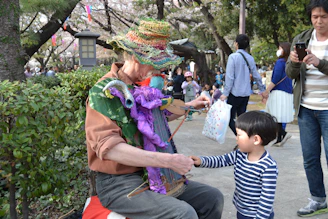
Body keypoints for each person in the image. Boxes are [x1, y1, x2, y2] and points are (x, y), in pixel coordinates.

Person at [85, 19, 224, 219]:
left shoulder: (140, 88)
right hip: (118, 183)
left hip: (153, 174)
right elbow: (110, 148)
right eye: (153, 62)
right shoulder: (105, 91)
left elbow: (160, 113)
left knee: (213, 198)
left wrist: (191, 106)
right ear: (134, 56)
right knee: (184, 214)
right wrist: (167, 160)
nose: (157, 69)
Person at [191, 110, 278, 219]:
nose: (236, 138)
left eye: (239, 135)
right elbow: (221, 160)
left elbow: (267, 199)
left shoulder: (268, 166)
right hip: (242, 210)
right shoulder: (240, 154)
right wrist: (201, 161)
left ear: (256, 139)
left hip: (257, 215)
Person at [285, 0, 328, 217]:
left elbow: (322, 66)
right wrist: (294, 61)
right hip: (306, 109)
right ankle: (318, 200)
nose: (319, 21)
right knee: (310, 158)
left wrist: (320, 63)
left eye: (324, 16)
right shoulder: (302, 39)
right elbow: (291, 74)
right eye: (315, 16)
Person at [220, 34, 265, 137]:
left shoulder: (233, 57)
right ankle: (244, 139)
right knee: (241, 119)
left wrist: (225, 93)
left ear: (236, 44)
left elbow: (230, 77)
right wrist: (262, 89)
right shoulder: (250, 58)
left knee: (229, 119)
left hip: (234, 93)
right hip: (245, 93)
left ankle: (243, 139)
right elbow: (256, 75)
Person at [262, 42, 293, 147]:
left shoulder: (280, 62)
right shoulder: (290, 62)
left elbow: (275, 79)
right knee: (278, 117)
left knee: (274, 115)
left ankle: (283, 134)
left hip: (278, 92)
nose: (278, 50)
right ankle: (279, 137)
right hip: (287, 92)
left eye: (280, 48)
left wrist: (267, 91)